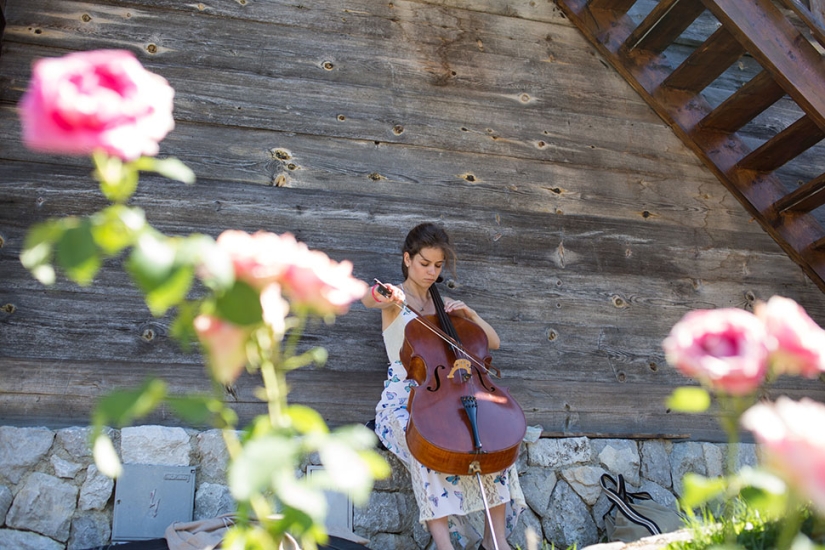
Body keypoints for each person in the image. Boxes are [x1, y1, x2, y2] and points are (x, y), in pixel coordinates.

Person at [362, 222, 525, 550]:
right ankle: (444, 544)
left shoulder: (445, 304)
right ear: (407, 259)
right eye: (424, 264)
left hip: (448, 397)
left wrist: (472, 315)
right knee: (425, 443)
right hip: (404, 399)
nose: (431, 272)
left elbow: (492, 341)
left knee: (493, 441)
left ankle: (497, 541)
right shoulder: (396, 300)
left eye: (437, 266)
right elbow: (370, 300)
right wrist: (386, 293)